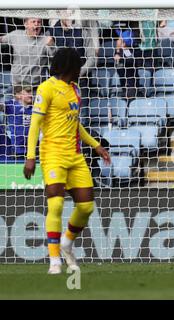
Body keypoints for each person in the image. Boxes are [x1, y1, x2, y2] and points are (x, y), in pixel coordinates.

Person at [23, 47, 111, 274]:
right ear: (70, 66)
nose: (81, 69)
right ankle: (54, 261)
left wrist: (96, 145)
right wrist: (30, 157)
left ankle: (66, 241)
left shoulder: (76, 90)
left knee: (86, 206)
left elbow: (75, 124)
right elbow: (35, 125)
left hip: (76, 156)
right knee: (57, 204)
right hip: (52, 155)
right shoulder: (47, 88)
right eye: (78, 65)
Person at [0, 18, 55, 87]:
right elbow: (2, 40)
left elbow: (56, 60)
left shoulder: (46, 40)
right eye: (33, 21)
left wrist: (52, 46)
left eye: (39, 22)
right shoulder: (16, 35)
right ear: (26, 24)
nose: (36, 24)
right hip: (16, 86)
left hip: (36, 87)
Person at [3, 86, 33, 159]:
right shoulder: (11, 105)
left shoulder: (35, 107)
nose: (31, 94)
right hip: (18, 150)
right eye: (28, 92)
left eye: (31, 92)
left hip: (33, 148)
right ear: (18, 95)